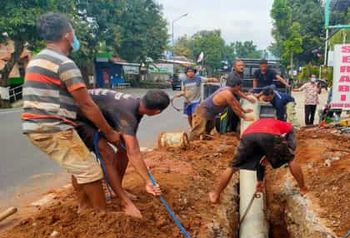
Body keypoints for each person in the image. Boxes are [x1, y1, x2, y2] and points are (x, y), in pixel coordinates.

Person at [22, 12, 120, 213]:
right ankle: (103, 217)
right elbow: (86, 104)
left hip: (37, 126)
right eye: (73, 31)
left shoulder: (37, 60)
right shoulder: (64, 63)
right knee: (91, 172)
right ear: (67, 34)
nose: (74, 36)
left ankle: (84, 208)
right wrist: (109, 133)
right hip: (54, 127)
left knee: (79, 166)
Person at [76, 89, 169, 218]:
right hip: (76, 117)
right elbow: (134, 152)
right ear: (157, 112)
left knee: (123, 148)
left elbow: (128, 147)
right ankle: (124, 202)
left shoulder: (136, 106)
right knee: (107, 154)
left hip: (91, 114)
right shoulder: (128, 113)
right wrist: (148, 181)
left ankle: (116, 189)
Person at [209, 118, 307, 204]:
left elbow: (260, 159)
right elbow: (292, 147)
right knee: (290, 160)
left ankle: (215, 194)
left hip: (248, 136)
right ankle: (303, 188)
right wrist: (277, 155)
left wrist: (259, 180)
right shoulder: (289, 127)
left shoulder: (261, 123)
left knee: (232, 167)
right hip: (270, 134)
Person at [190, 73, 254, 140]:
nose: (240, 88)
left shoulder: (230, 89)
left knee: (209, 128)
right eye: (239, 86)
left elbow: (236, 100)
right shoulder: (227, 94)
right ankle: (189, 145)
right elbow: (235, 107)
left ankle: (202, 144)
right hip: (203, 110)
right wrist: (244, 117)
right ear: (236, 86)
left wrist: (244, 109)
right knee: (198, 130)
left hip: (211, 112)